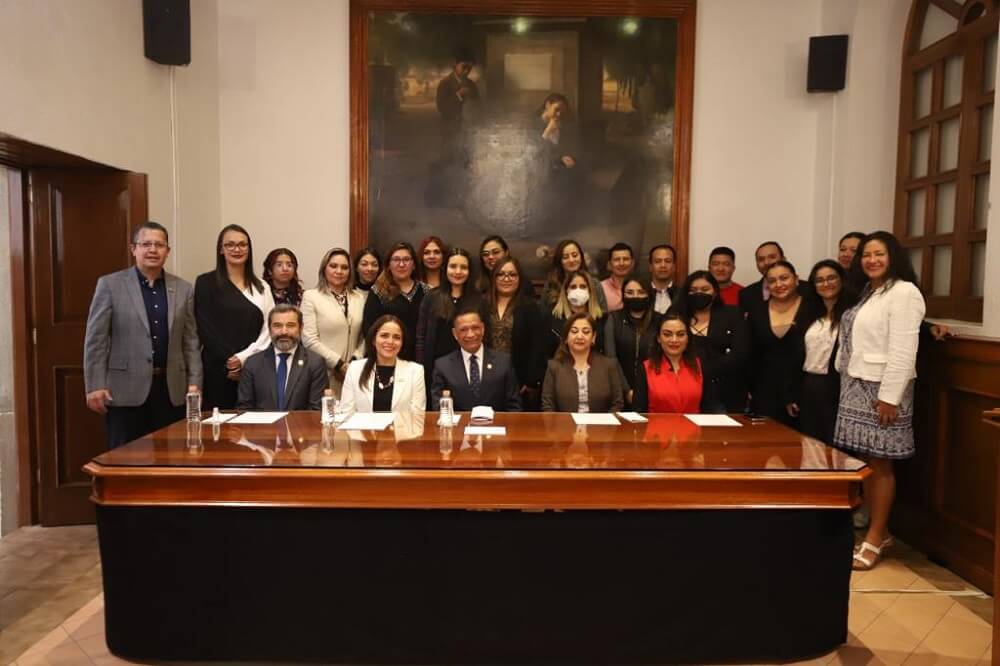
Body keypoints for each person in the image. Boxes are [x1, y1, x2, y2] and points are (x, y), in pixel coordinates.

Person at [834, 232, 925, 570]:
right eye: (867, 255)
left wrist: (890, 397)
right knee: (866, 462)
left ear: (893, 257)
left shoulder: (904, 292)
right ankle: (879, 529)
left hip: (882, 391)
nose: (871, 260)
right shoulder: (868, 291)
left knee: (882, 463)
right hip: (855, 384)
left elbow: (904, 350)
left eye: (879, 254)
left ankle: (874, 537)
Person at [83, 221, 202, 448]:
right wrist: (94, 384)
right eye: (146, 244)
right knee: (125, 456)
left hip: (170, 390)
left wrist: (195, 383)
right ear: (133, 249)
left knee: (172, 456)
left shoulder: (184, 289)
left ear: (167, 251)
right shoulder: (110, 285)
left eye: (159, 245)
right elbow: (96, 340)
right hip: (124, 389)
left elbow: (191, 341)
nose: (153, 250)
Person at [194, 224, 275, 410]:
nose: (236, 249)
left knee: (255, 429)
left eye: (242, 244)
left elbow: (270, 329)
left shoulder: (262, 287)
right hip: (217, 369)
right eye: (230, 245)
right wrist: (231, 362)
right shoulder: (205, 283)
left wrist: (244, 358)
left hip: (255, 367)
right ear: (221, 249)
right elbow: (204, 327)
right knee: (218, 431)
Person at [787, 260, 855, 444]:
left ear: (842, 280)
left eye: (831, 278)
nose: (826, 284)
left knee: (836, 445)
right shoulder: (808, 313)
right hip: (809, 386)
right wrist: (794, 394)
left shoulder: (853, 313)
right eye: (820, 280)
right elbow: (797, 355)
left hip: (837, 386)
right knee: (810, 444)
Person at [746, 260, 811, 425]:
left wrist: (798, 394)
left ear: (796, 279)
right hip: (764, 392)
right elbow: (750, 354)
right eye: (772, 281)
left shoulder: (812, 308)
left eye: (784, 278)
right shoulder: (757, 311)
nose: (779, 284)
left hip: (804, 390)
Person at [675, 270, 750, 413]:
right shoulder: (678, 316)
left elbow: (740, 353)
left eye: (705, 289)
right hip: (685, 389)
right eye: (693, 290)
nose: (699, 293)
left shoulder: (733, 314)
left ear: (715, 292)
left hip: (725, 390)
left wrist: (704, 372)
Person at [300, 248, 367, 397]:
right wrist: (338, 365)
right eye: (333, 266)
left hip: (354, 373)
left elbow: (365, 335)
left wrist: (354, 362)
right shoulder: (311, 297)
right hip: (324, 372)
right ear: (324, 269)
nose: (339, 271)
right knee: (326, 417)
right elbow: (309, 340)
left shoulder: (359, 297)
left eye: (344, 267)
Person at [236, 304, 328, 411]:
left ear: (301, 328)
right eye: (277, 325)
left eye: (290, 325)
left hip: (300, 427)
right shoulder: (253, 363)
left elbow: (316, 411)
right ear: (269, 329)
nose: (284, 332)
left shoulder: (315, 363)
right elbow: (244, 409)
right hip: (262, 427)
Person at [431, 307, 521, 412]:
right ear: (455, 333)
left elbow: (514, 407)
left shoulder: (503, 362)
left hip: (496, 426)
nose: (471, 334)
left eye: (475, 328)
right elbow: (439, 409)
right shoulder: (443, 366)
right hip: (459, 427)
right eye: (463, 329)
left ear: (482, 328)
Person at [416, 248, 482, 390]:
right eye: (453, 266)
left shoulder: (479, 300)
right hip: (436, 369)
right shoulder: (431, 297)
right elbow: (421, 337)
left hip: (470, 368)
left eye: (463, 267)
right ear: (445, 268)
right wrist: (422, 368)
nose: (458, 272)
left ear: (470, 271)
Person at [632, 310, 721, 413]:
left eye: (680, 334)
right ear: (658, 338)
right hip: (656, 428)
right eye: (667, 334)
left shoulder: (701, 366)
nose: (674, 340)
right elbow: (638, 412)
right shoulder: (645, 369)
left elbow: (713, 406)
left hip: (694, 428)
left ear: (688, 338)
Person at [486, 257, 545, 410]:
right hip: (485, 377)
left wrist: (531, 381)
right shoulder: (482, 304)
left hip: (518, 380)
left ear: (520, 278)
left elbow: (537, 346)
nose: (507, 278)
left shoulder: (530, 307)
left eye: (512, 274)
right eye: (501, 274)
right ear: (494, 277)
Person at [340, 315, 426, 413]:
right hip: (362, 428)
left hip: (402, 428)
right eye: (384, 335)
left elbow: (417, 416)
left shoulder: (415, 371)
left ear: (402, 343)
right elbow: (346, 413)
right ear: (373, 339)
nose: (390, 341)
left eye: (397, 337)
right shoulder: (355, 369)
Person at [541, 313, 623, 413]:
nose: (580, 336)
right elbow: (547, 406)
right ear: (566, 337)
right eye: (574, 331)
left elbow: (617, 403)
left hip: (601, 426)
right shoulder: (554, 366)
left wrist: (605, 426)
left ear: (593, 337)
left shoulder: (609, 365)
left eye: (586, 332)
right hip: (564, 426)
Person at [362, 241, 429, 361]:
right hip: (387, 357)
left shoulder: (426, 291)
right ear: (389, 265)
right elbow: (369, 330)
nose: (401, 264)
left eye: (406, 259)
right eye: (396, 260)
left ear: (414, 265)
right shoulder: (378, 292)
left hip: (421, 359)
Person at [603, 275, 659, 406]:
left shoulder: (659, 320)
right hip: (618, 390)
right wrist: (626, 390)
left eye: (641, 292)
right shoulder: (613, 318)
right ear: (623, 295)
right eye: (630, 292)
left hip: (653, 389)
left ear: (649, 294)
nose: (635, 296)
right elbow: (611, 357)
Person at [542, 271, 608, 359]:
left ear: (590, 290)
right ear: (566, 291)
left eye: (583, 287)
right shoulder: (551, 318)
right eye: (573, 287)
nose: (578, 290)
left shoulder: (602, 319)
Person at [541, 239, 608, 311]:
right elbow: (543, 313)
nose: (571, 260)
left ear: (581, 257)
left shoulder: (594, 284)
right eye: (565, 257)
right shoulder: (551, 284)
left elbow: (603, 313)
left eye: (575, 255)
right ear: (559, 261)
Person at [738, 241, 784, 314]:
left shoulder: (804, 289)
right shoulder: (746, 295)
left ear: (783, 258)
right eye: (761, 259)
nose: (766, 262)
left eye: (772, 257)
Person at [600, 242, 635, 312]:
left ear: (632, 263)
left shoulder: (642, 287)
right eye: (617, 260)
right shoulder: (600, 288)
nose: (621, 263)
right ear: (609, 264)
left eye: (625, 259)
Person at [648, 244, 678, 313]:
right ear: (650, 266)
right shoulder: (642, 293)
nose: (663, 265)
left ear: (674, 266)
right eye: (657, 261)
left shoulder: (682, 295)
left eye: (668, 261)